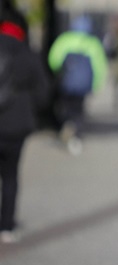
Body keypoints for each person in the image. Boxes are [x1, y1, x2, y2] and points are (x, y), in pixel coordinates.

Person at [0, 30, 50, 243]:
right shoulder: (28, 55)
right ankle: (6, 226)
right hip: (16, 124)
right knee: (10, 176)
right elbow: (43, 93)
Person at [47, 17, 109, 155]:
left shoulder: (64, 39)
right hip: (83, 86)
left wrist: (59, 73)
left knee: (66, 108)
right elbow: (100, 66)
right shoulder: (92, 43)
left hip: (67, 83)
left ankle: (68, 125)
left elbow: (53, 59)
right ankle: (76, 135)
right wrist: (97, 84)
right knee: (79, 110)